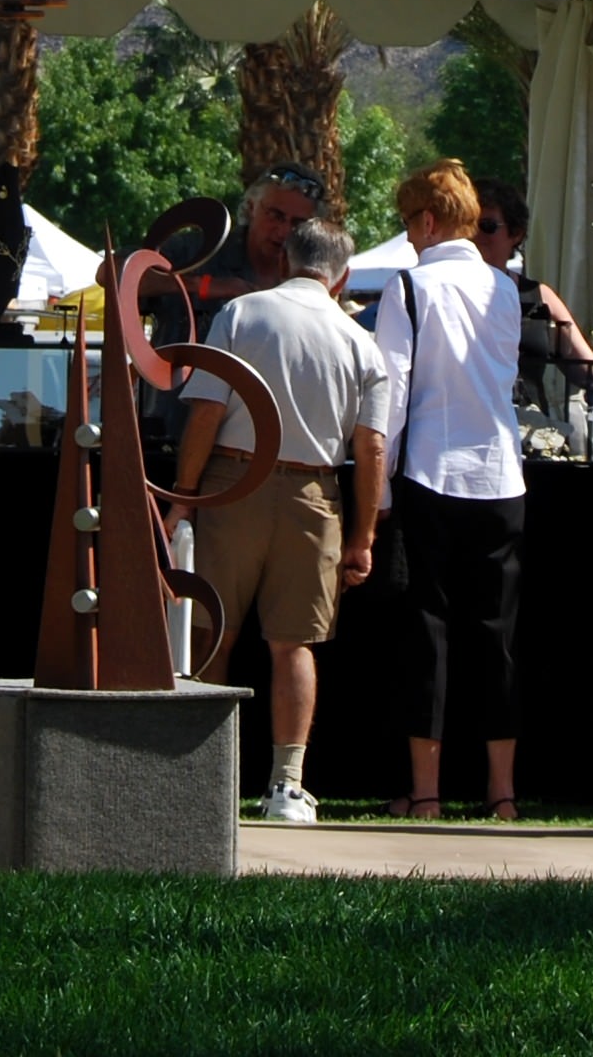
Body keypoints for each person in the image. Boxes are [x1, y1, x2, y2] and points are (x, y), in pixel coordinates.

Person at [172, 212, 391, 826]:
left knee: (214, 629)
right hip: (312, 493)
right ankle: (287, 785)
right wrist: (363, 537)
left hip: (232, 482)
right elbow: (371, 447)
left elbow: (206, 415)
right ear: (342, 277)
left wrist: (183, 497)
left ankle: (202, 777)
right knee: (294, 643)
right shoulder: (361, 344)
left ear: (289, 259)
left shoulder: (242, 314)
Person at [371, 159, 528, 819]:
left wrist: (375, 497)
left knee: (428, 630)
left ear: (428, 221)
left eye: (410, 223)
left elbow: (391, 399)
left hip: (431, 474)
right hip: (501, 475)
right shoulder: (505, 290)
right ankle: (502, 793)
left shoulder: (408, 288)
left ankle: (427, 792)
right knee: (497, 634)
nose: (408, 237)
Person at [470, 185, 593, 410]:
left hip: (531, 433)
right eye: (468, 225)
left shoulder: (539, 296)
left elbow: (591, 372)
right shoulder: (446, 292)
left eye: (487, 226)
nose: (475, 235)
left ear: (516, 233)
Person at [197, 164, 323, 309]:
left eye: (297, 223)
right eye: (275, 215)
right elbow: (163, 279)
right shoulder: (199, 251)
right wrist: (205, 286)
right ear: (251, 208)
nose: (283, 231)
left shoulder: (311, 278)